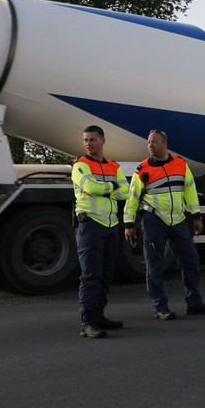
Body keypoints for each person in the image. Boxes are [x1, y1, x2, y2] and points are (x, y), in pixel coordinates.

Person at [123, 128, 205, 320]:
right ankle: (160, 306)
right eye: (149, 142)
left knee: (191, 261)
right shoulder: (142, 170)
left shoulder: (180, 164)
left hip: (179, 220)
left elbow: (189, 191)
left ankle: (194, 302)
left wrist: (197, 215)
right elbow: (132, 198)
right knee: (154, 266)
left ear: (165, 144)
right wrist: (128, 223)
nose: (150, 145)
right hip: (153, 220)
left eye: (154, 142)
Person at [73, 125, 130, 338]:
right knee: (90, 274)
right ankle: (87, 322)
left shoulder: (114, 166)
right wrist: (112, 188)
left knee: (106, 274)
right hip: (90, 226)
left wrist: (107, 190)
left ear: (103, 141)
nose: (88, 143)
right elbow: (91, 188)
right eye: (86, 140)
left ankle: (99, 316)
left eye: (93, 140)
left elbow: (126, 192)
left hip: (110, 225)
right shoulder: (80, 165)